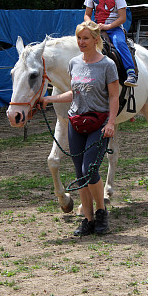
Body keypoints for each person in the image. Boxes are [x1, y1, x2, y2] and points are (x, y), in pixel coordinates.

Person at [40, 20, 119, 236]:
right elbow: (74, 92)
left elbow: (114, 96)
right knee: (79, 173)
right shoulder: (74, 63)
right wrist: (50, 98)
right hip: (76, 122)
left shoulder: (107, 65)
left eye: (86, 38)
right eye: (79, 38)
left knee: (89, 169)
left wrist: (111, 122)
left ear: (96, 40)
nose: (81, 42)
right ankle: (88, 219)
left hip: (98, 122)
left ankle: (102, 213)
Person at [84, 0, 138, 87]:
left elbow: (122, 17)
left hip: (114, 28)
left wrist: (108, 27)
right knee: (83, 43)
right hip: (97, 28)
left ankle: (131, 72)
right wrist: (91, 24)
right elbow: (87, 15)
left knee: (119, 43)